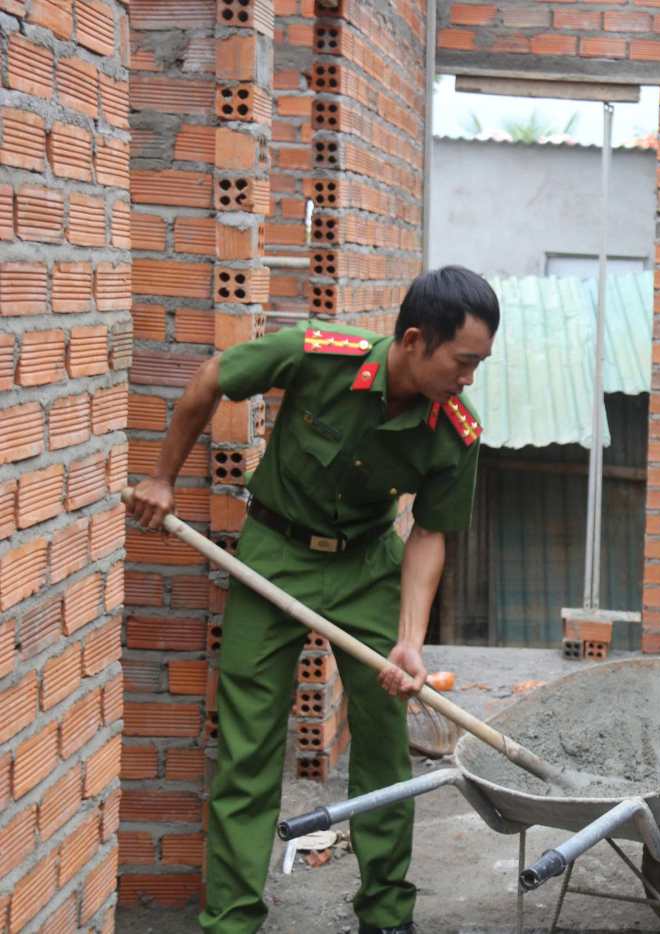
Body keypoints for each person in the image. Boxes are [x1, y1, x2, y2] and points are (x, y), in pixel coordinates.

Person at [127, 266, 499, 934]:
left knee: (385, 744)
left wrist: (409, 638)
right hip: (275, 558)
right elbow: (214, 379)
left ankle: (386, 909)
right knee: (248, 744)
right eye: (463, 360)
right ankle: (234, 917)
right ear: (415, 340)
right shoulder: (319, 356)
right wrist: (161, 478)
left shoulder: (454, 430)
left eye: (479, 364)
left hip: (366, 570)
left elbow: (431, 533)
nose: (469, 377)